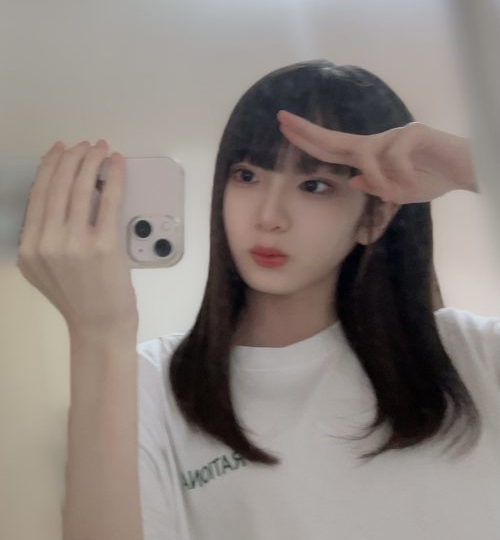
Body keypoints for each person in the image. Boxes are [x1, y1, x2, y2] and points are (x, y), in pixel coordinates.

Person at [17, 60, 500, 540]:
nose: (269, 216)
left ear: (374, 218)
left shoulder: (472, 355)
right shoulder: (151, 384)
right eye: (247, 176)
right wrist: (98, 334)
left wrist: (472, 164)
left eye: (314, 185)